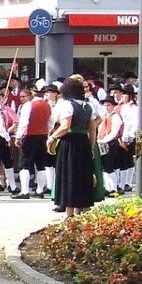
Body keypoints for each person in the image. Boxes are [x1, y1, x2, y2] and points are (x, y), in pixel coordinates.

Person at [50, 77, 103, 217]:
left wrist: (52, 137)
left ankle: (69, 212)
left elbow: (65, 126)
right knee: (82, 176)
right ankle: (80, 210)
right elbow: (93, 130)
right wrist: (91, 147)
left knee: (69, 175)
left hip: (70, 142)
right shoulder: (89, 106)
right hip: (84, 143)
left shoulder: (67, 105)